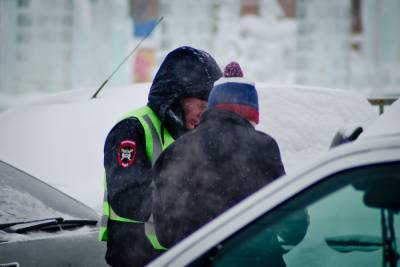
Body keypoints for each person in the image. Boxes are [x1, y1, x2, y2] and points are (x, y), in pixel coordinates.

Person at [98, 46, 222, 267]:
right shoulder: (133, 129)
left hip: (181, 256)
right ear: (177, 98)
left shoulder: (195, 134)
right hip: (137, 257)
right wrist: (193, 202)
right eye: (202, 106)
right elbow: (128, 198)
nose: (207, 115)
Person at [152, 62, 287, 248]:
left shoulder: (176, 151)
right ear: (250, 115)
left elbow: (164, 233)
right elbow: (291, 225)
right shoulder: (264, 146)